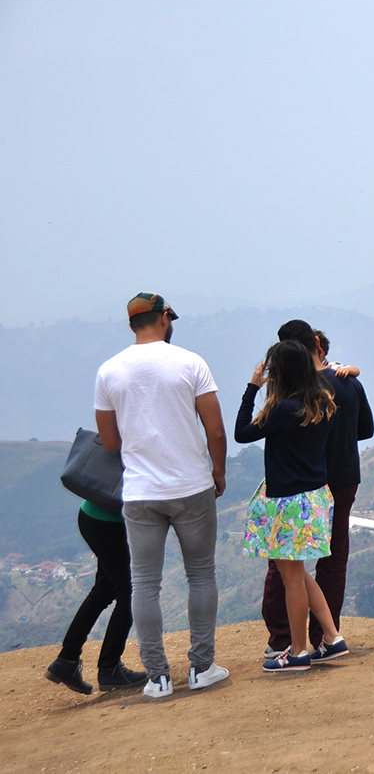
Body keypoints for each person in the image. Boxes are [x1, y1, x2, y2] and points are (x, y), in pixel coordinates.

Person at [94, 293, 229, 699]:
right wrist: (218, 473)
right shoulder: (191, 362)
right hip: (191, 486)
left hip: (140, 493)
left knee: (144, 583)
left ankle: (158, 677)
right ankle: (202, 668)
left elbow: (109, 441)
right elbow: (216, 431)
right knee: (201, 574)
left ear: (132, 324)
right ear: (165, 318)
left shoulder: (109, 371)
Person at [235, 339, 349, 671]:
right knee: (297, 572)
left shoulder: (283, 410)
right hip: (314, 498)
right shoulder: (324, 401)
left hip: (286, 503)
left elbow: (242, 432)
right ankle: (331, 636)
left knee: (291, 577)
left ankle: (298, 652)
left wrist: (251, 389)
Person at [261, 320, 373, 657]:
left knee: (285, 562)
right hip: (345, 479)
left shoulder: (293, 393)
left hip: (303, 483)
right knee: (334, 559)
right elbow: (365, 430)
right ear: (317, 344)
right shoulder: (348, 384)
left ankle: (282, 640)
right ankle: (325, 637)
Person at [44, 499, 147, 695]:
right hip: (111, 522)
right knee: (129, 593)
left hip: (92, 514)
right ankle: (110, 668)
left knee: (105, 588)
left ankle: (66, 661)